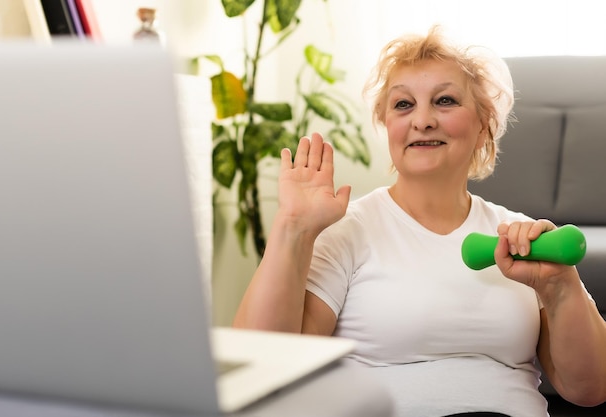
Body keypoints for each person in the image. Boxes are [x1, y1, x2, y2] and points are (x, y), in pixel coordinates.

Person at [232, 26, 606, 417]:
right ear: (387, 125)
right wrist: (292, 226)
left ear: (483, 125)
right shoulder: (347, 231)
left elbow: (590, 388)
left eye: (444, 101)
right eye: (403, 105)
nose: (422, 120)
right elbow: (262, 370)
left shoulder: (525, 239)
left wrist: (561, 285)